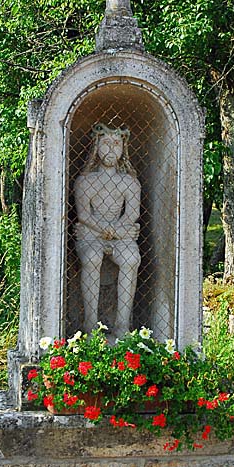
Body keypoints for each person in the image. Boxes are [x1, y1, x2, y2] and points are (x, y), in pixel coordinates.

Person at [74, 123, 141, 337]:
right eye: (105, 143)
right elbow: (84, 215)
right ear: (96, 147)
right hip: (92, 233)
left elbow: (132, 214)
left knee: (131, 258)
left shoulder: (130, 182)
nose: (111, 149)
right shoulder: (85, 180)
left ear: (123, 148)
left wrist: (116, 231)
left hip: (119, 233)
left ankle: (122, 324)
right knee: (93, 257)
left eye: (116, 144)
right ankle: (90, 322)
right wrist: (111, 230)